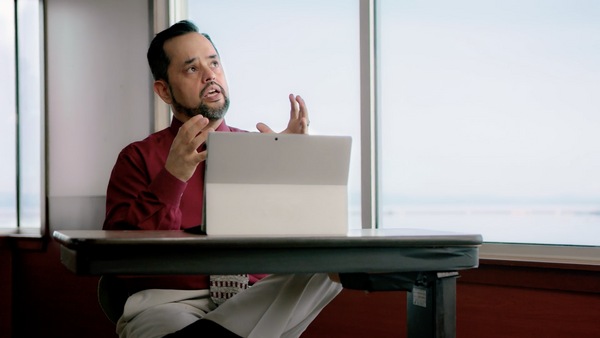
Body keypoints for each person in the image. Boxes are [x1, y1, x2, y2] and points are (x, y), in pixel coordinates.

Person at [102, 20, 342, 338]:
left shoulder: (263, 150)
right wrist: (172, 177)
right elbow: (121, 262)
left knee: (330, 267)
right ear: (163, 90)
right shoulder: (137, 158)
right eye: (192, 68)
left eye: (214, 63)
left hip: (255, 303)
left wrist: (292, 167)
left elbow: (306, 235)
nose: (210, 75)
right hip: (169, 304)